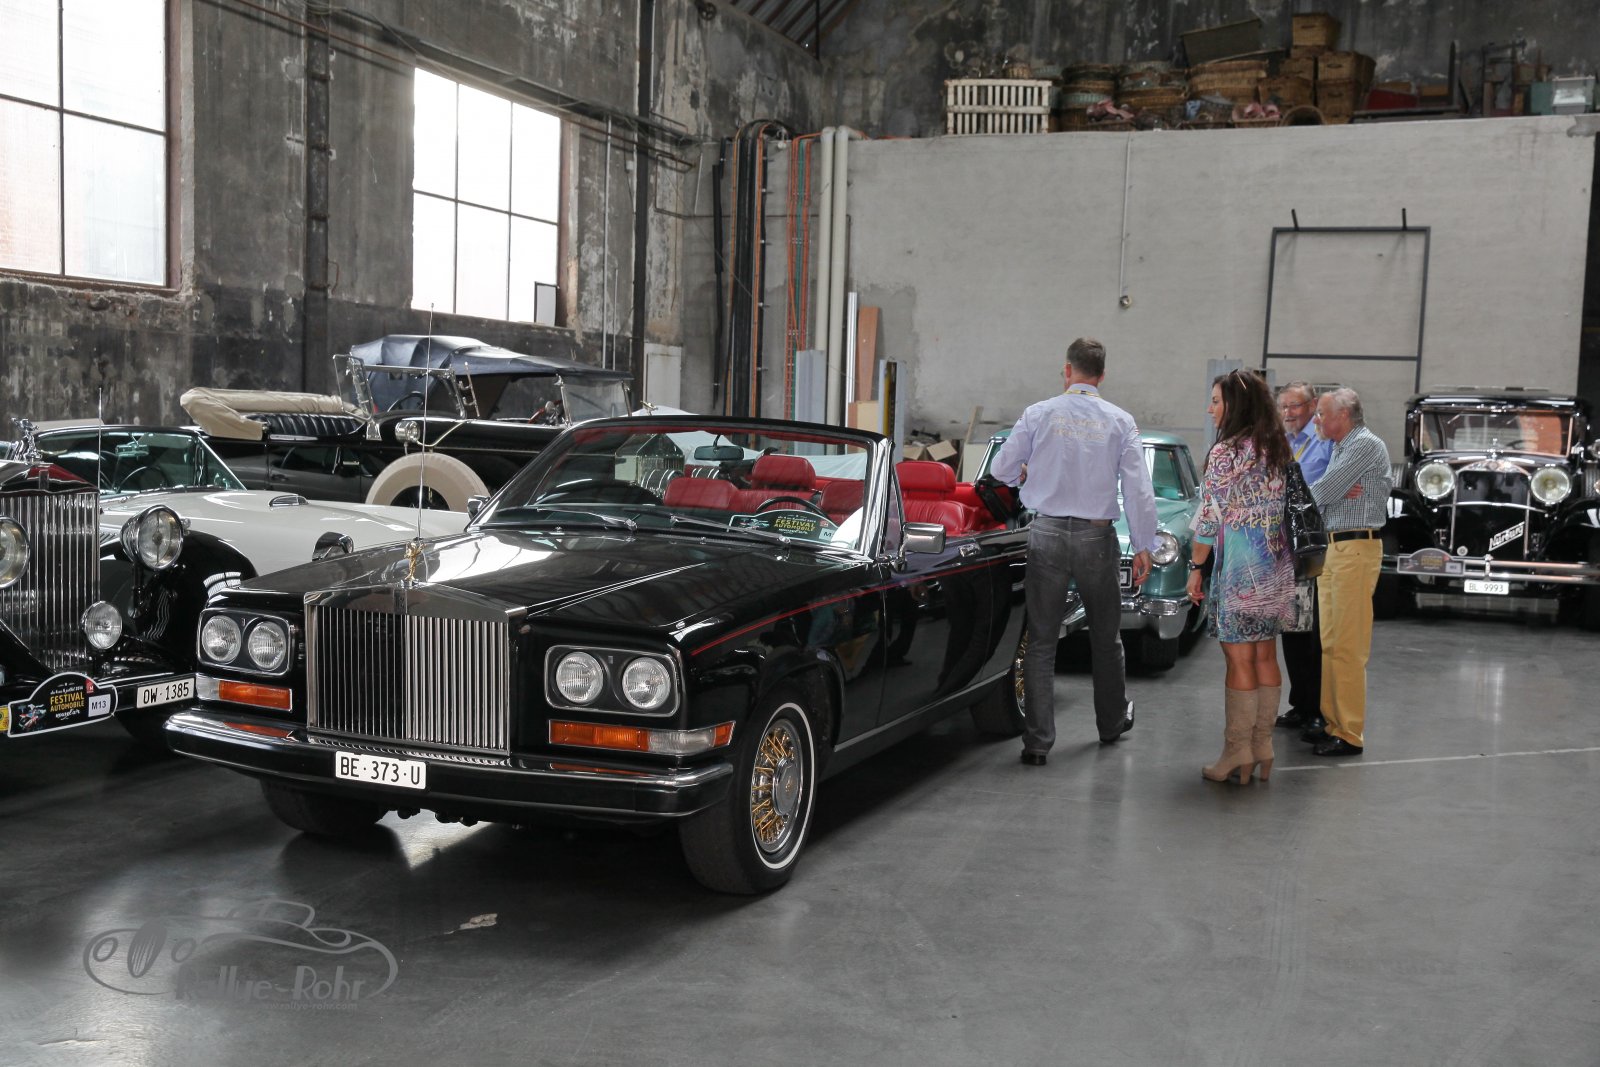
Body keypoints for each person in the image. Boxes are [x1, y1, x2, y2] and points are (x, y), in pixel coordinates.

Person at [990, 338, 1159, 765]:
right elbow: (1138, 489)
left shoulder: (1038, 413)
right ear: (1102, 375)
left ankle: (1037, 743)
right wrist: (1144, 544)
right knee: (1105, 637)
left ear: (1067, 370)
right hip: (1095, 539)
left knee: (1042, 641)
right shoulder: (1120, 421)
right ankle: (1111, 723)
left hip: (1045, 533)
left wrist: (1024, 471)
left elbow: (1000, 469)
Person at [1185, 370, 1298, 784]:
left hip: (1240, 567)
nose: (1210, 409)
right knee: (1265, 655)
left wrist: (1196, 567)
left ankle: (1237, 752)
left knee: (1238, 659)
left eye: (1216, 401)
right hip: (1275, 564)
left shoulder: (1226, 452)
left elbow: (1209, 517)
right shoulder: (1276, 446)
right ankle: (1262, 746)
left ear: (1235, 405)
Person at [1303, 387, 1391, 757]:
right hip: (1337, 548)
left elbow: (1324, 491)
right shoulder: (1341, 448)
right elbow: (1330, 492)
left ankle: (1349, 732)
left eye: (1322, 414)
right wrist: (1331, 492)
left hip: (1354, 549)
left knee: (1348, 647)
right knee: (1331, 643)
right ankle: (1333, 723)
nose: (1317, 420)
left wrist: (1317, 494)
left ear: (1344, 415)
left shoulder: (1364, 445)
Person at [1274, 382, 1333, 732]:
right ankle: (1299, 704)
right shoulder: (1283, 442)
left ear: (1312, 406)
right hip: (1287, 546)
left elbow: (1333, 487)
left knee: (1316, 632)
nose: (1288, 413)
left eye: (1294, 406)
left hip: (1315, 545)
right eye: (1283, 407)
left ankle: (1318, 708)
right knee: (1293, 626)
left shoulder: (1325, 441)